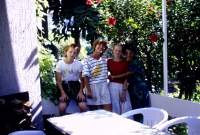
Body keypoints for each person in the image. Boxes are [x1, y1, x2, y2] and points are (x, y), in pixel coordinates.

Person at [109, 43, 149, 122]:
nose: (129, 55)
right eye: (126, 53)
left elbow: (128, 74)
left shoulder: (136, 62)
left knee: (141, 110)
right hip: (132, 88)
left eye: (131, 53)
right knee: (134, 109)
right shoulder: (128, 62)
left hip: (140, 88)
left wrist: (114, 77)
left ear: (134, 53)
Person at [55, 43, 87, 116]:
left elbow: (82, 80)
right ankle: (65, 125)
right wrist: (62, 93)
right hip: (64, 86)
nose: (72, 54)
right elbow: (58, 81)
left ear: (76, 54)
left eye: (74, 53)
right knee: (62, 108)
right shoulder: (60, 64)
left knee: (83, 106)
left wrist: (81, 92)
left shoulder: (79, 64)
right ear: (66, 52)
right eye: (70, 52)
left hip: (76, 85)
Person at [82, 39, 111, 111]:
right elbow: (85, 76)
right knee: (94, 112)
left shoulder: (104, 58)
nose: (101, 47)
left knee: (109, 110)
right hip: (93, 87)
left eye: (103, 46)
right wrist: (88, 90)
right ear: (95, 46)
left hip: (104, 86)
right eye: (99, 45)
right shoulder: (87, 59)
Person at [107, 44, 132, 115]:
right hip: (111, 87)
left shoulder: (125, 62)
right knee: (114, 107)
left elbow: (126, 77)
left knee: (125, 106)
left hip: (122, 87)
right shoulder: (109, 61)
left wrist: (124, 91)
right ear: (113, 50)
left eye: (119, 51)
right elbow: (106, 73)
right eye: (116, 50)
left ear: (121, 52)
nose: (117, 52)